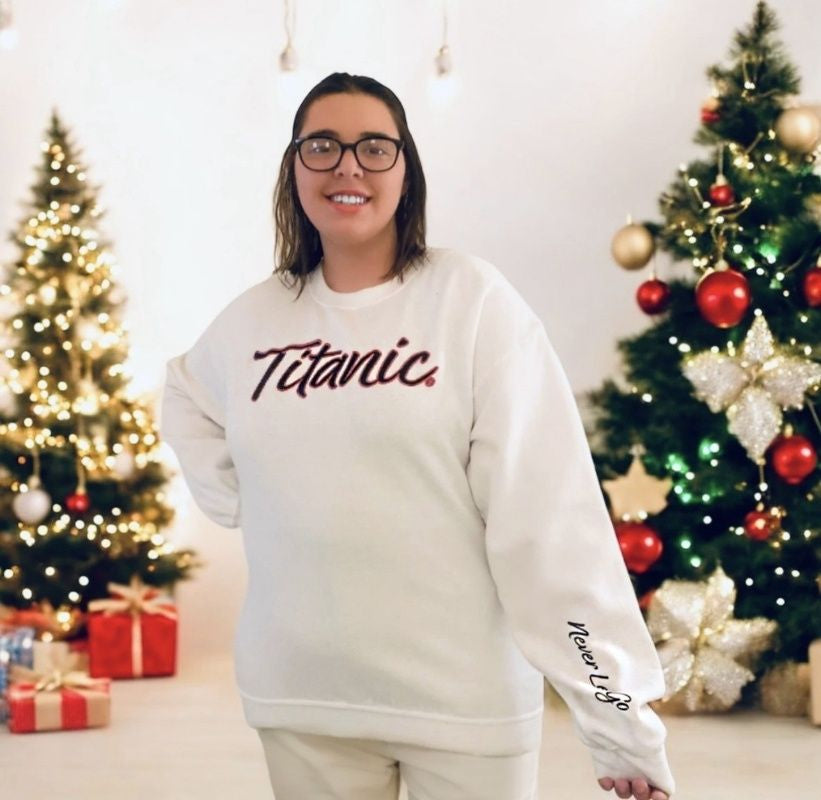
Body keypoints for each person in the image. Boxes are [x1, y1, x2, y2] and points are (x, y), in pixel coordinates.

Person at [160, 72, 676, 800]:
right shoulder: (254, 322)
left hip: (464, 706)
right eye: (322, 146)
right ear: (293, 168)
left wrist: (616, 715)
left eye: (374, 147)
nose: (347, 167)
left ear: (406, 169)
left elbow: (546, 520)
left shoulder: (470, 303)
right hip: (304, 700)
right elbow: (184, 392)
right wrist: (237, 490)